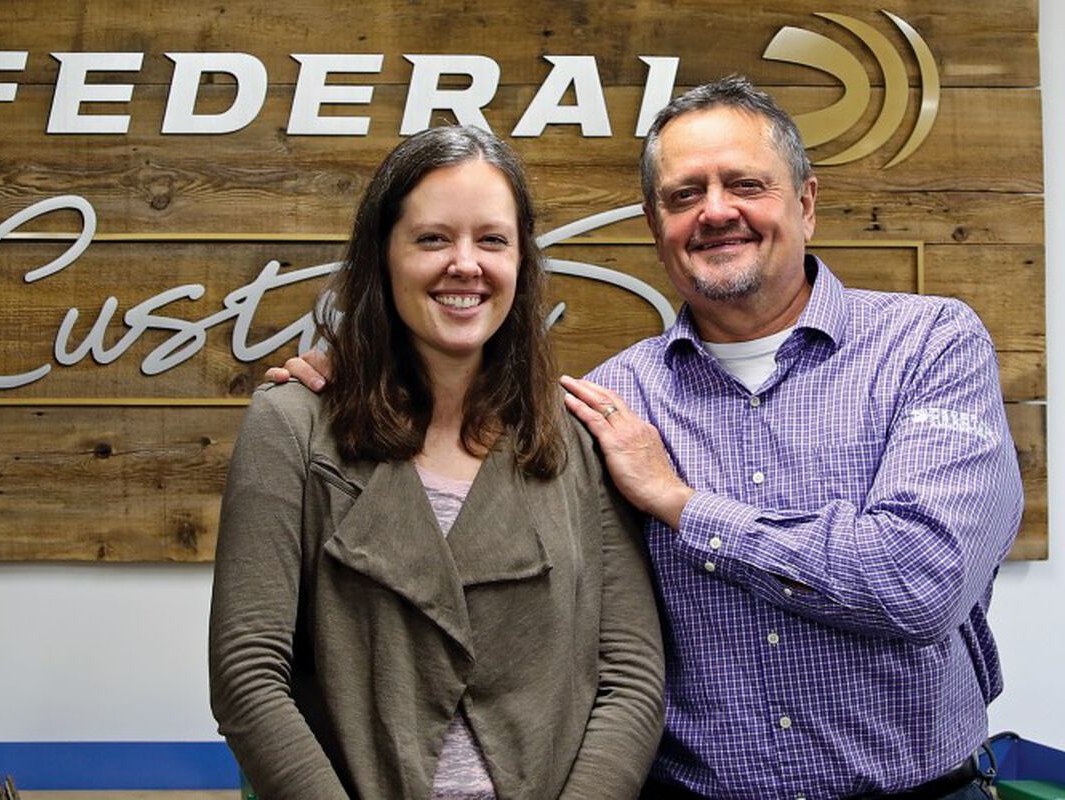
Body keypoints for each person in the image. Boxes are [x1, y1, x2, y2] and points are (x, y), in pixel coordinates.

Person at [267, 77, 1024, 799]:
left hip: (924, 792)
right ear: (655, 227)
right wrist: (362, 375)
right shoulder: (605, 406)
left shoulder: (930, 346)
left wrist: (683, 506)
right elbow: (581, 645)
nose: (715, 211)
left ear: (807, 201)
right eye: (684, 195)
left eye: (745, 184)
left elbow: (922, 583)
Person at [208, 125, 665, 800]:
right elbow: (247, 676)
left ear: (521, 262)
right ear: (383, 256)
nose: (465, 264)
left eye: (491, 239)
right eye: (432, 238)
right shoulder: (293, 425)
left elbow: (631, 675)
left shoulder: (574, 441)